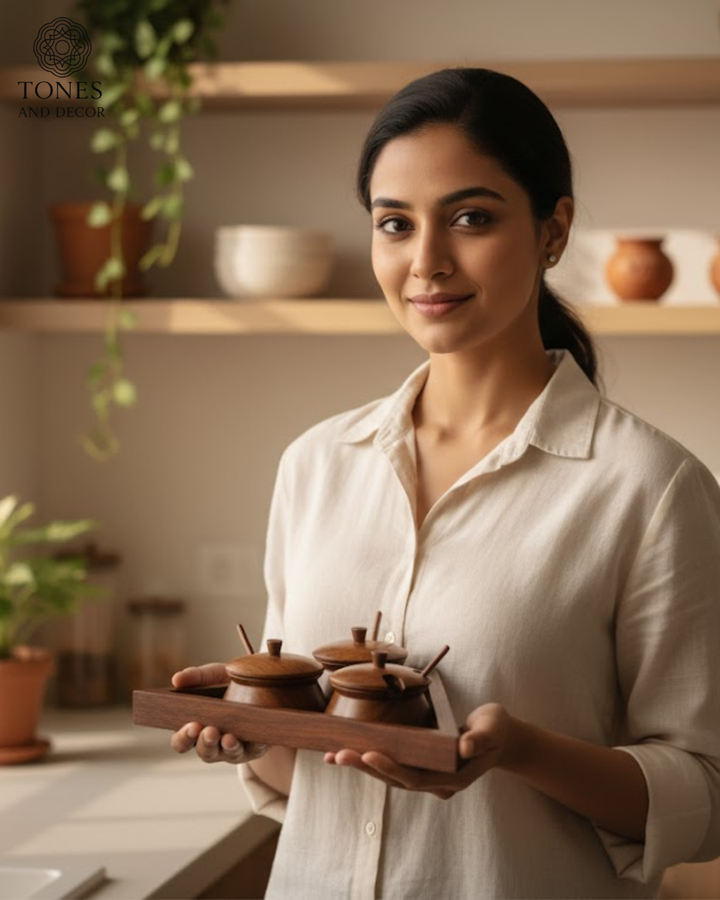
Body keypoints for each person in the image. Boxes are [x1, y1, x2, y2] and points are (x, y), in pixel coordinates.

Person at [170, 67, 720, 899]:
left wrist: (522, 752)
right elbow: (315, 768)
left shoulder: (651, 488)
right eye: (395, 224)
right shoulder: (316, 465)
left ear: (552, 230)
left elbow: (705, 796)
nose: (426, 261)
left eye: (470, 217)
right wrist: (253, 728)